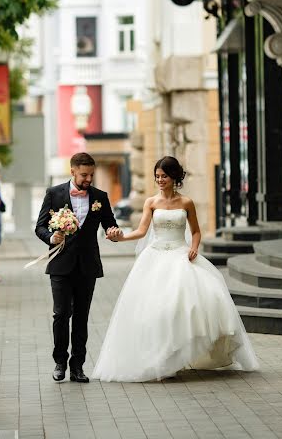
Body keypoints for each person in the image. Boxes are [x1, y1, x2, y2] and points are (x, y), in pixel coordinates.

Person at [92, 156, 259, 382]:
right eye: (157, 177)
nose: (160, 180)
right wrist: (120, 237)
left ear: (174, 178)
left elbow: (197, 231)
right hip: (155, 257)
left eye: (164, 176)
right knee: (157, 309)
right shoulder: (151, 202)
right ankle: (162, 357)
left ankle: (180, 353)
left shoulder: (186, 203)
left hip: (181, 256)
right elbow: (141, 231)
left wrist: (194, 247)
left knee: (192, 303)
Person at [35, 152, 123, 383]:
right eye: (84, 175)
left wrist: (114, 233)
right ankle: (60, 362)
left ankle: (78, 367)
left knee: (82, 317)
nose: (88, 179)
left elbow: (110, 225)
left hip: (87, 265)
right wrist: (51, 238)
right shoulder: (54, 194)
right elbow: (40, 226)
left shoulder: (100, 197)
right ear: (72, 171)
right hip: (60, 264)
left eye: (91, 175)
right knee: (61, 314)